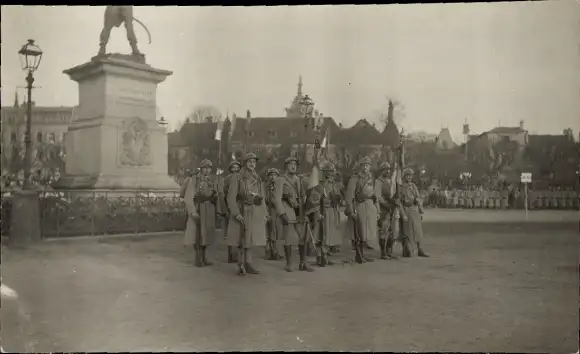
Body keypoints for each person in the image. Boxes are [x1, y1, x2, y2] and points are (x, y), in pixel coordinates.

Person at [226, 153, 268, 276]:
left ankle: (248, 263)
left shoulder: (257, 178)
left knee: (250, 238)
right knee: (241, 237)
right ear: (244, 163)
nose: (252, 164)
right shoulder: (237, 177)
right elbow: (231, 198)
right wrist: (235, 213)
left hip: (253, 210)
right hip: (241, 209)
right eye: (249, 161)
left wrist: (264, 212)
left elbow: (262, 197)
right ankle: (240, 264)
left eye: (254, 162)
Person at [274, 156, 312, 272]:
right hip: (287, 209)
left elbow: (303, 195)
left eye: (295, 164)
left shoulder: (298, 179)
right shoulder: (280, 180)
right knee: (288, 237)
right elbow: (277, 198)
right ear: (286, 166)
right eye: (290, 164)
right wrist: (282, 213)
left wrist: (307, 205)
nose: (293, 166)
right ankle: (289, 263)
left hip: (299, 209)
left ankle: (303, 262)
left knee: (302, 237)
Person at [183, 159, 221, 267]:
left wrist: (214, 196)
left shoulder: (210, 180)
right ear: (201, 168)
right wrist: (192, 211)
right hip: (199, 207)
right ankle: (198, 258)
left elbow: (213, 193)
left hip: (208, 208)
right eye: (205, 168)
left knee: (206, 234)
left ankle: (204, 257)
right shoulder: (194, 180)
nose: (207, 170)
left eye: (209, 168)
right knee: (198, 234)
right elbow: (189, 196)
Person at [345, 156, 379, 264]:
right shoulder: (355, 178)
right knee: (359, 232)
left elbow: (374, 195)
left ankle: (362, 254)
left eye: (367, 165)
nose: (365, 167)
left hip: (369, 206)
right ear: (360, 167)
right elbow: (349, 196)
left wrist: (377, 209)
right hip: (359, 206)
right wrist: (351, 210)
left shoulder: (370, 178)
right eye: (364, 165)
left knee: (367, 232)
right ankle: (358, 255)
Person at [399, 168, 429, 258]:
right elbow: (399, 202)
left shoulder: (413, 186)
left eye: (410, 175)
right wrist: (403, 214)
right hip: (406, 208)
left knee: (418, 230)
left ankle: (420, 249)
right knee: (407, 231)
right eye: (407, 175)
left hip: (414, 209)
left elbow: (417, 197)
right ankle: (407, 249)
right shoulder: (401, 187)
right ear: (404, 177)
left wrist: (420, 209)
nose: (409, 177)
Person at [375, 161, 399, 260]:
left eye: (389, 169)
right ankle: (383, 252)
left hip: (392, 208)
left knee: (393, 231)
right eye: (385, 169)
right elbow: (378, 197)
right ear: (381, 171)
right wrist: (387, 205)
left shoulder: (391, 181)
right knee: (383, 231)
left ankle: (389, 251)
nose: (387, 171)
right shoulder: (378, 181)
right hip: (383, 209)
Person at [223, 160, 242, 263]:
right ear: (230, 169)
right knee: (231, 232)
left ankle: (238, 254)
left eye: (237, 167)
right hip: (231, 205)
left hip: (240, 205)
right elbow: (226, 193)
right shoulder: (228, 178)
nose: (235, 169)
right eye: (233, 167)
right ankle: (231, 255)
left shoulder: (242, 178)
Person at [265, 168, 284, 261]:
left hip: (278, 210)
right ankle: (271, 251)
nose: (273, 177)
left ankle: (278, 251)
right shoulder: (266, 187)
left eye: (275, 175)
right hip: (270, 210)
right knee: (271, 231)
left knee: (278, 230)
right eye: (271, 175)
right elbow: (266, 199)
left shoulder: (280, 186)